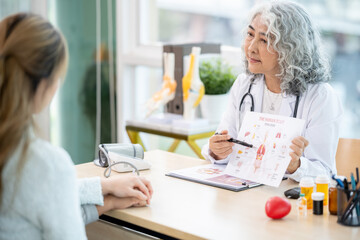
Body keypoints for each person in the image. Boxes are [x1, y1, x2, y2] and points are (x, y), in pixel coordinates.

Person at [0, 13, 153, 239]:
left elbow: (39, 203)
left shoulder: (24, 163)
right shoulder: (44, 164)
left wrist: (106, 193)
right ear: (46, 84)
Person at [201, 1, 343, 181]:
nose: (251, 47)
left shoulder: (320, 96)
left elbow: (325, 172)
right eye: (250, 34)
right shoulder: (245, 85)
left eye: (264, 40)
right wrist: (217, 151)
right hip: (248, 192)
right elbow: (228, 145)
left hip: (293, 201)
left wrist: (295, 167)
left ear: (290, 48)